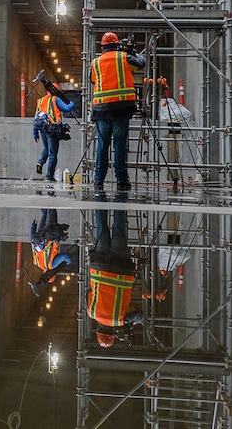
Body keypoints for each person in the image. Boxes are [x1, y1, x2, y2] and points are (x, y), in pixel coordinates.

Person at [91, 32, 146, 192]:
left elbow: (93, 80)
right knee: (120, 145)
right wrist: (131, 51)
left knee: (102, 146)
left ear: (102, 47)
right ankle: (121, 180)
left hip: (101, 111)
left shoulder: (96, 62)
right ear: (117, 45)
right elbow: (141, 63)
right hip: (121, 109)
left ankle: (98, 180)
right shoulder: (124, 57)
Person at [88, 197, 143, 348]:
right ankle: (99, 194)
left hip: (120, 267)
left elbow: (140, 316)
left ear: (113, 333)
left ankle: (121, 193)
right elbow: (90, 292)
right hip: (100, 264)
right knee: (101, 227)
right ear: (98, 330)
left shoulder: (119, 320)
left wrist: (133, 322)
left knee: (119, 226)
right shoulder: (91, 312)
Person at [33, 91, 74, 181]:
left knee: (46, 148)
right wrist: (71, 103)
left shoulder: (40, 100)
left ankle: (40, 163)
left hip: (41, 128)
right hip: (52, 129)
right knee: (53, 154)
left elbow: (36, 117)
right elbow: (67, 108)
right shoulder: (55, 99)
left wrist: (35, 133)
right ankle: (49, 176)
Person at [28, 210, 71, 295]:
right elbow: (33, 245)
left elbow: (65, 257)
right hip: (39, 235)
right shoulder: (36, 262)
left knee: (51, 209)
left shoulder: (52, 265)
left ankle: (49, 196)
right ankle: (43, 199)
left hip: (49, 233)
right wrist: (33, 228)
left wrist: (68, 262)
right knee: (45, 212)